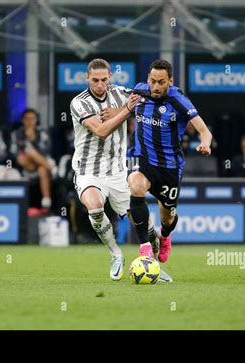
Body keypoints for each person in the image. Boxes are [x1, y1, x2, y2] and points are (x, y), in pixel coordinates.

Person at [70, 58, 171, 282]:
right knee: (95, 206)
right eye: (95, 80)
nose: (99, 85)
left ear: (110, 78)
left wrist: (126, 106)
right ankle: (116, 254)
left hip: (117, 172)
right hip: (88, 170)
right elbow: (101, 131)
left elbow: (158, 96)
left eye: (104, 80)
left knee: (149, 228)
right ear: (87, 78)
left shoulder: (122, 93)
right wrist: (126, 110)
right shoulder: (79, 103)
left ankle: (152, 265)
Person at [128, 59, 212, 264]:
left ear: (170, 81)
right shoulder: (139, 91)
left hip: (170, 168)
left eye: (161, 82)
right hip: (143, 160)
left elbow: (204, 131)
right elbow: (125, 109)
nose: (156, 87)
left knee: (167, 218)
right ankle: (145, 247)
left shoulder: (178, 100)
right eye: (153, 81)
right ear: (148, 78)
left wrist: (205, 144)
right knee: (135, 186)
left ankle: (164, 237)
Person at [10, 109, 54, 211]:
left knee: (42, 168)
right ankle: (53, 169)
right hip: (26, 165)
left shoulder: (42, 132)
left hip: (41, 163)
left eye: (32, 119)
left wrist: (32, 139)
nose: (30, 121)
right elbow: (14, 153)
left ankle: (46, 201)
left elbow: (46, 151)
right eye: (27, 119)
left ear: (36, 120)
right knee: (28, 153)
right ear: (22, 120)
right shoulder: (16, 134)